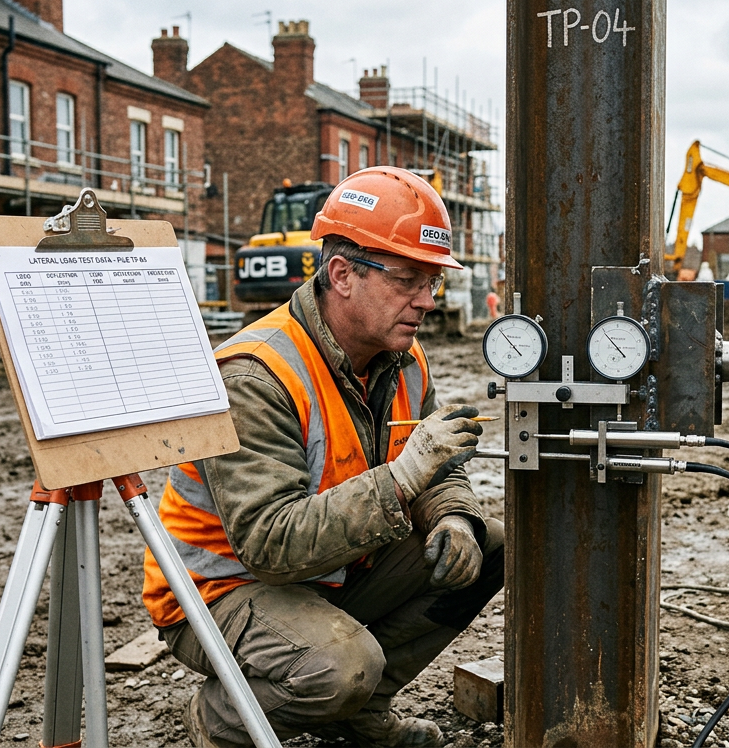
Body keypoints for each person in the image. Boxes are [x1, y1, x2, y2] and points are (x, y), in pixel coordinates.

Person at [143, 167, 503, 748]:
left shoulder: (405, 360)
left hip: (328, 568)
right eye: (409, 279)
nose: (427, 301)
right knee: (341, 668)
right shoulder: (257, 376)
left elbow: (437, 471)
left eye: (431, 282)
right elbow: (270, 545)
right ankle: (223, 719)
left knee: (490, 545)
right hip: (219, 591)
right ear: (342, 274)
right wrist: (404, 476)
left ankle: (361, 712)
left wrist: (452, 515)